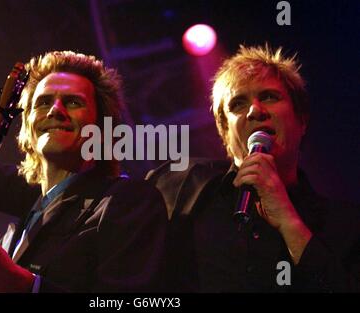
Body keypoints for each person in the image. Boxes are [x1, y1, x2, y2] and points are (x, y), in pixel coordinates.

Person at [0, 51, 169, 292]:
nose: (56, 110)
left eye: (73, 102)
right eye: (43, 102)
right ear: (27, 128)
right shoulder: (26, 221)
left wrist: (22, 283)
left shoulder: (130, 201)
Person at [146, 44, 360, 292]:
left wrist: (288, 220)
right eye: (238, 104)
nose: (255, 111)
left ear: (302, 120)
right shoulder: (176, 185)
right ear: (225, 133)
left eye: (269, 96)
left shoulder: (346, 226)